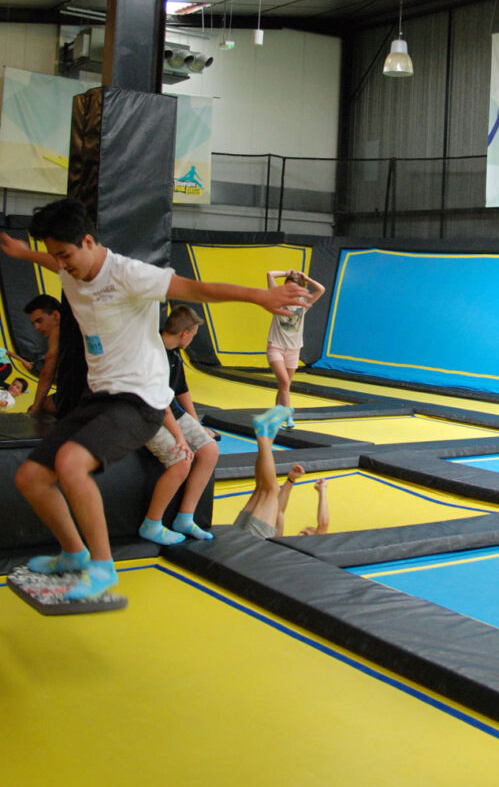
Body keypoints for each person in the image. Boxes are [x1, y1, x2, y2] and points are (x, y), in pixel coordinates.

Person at [0, 197, 309, 601]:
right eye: (55, 255)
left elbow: (197, 288)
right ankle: (74, 554)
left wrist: (258, 297)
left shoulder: (130, 275)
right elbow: (51, 261)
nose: (61, 263)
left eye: (66, 255)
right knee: (30, 477)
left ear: (89, 241)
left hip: (141, 401)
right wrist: (25, 253)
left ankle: (102, 567)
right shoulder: (66, 263)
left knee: (71, 465)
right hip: (100, 395)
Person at [140, 305, 219, 545]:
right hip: (146, 414)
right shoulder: (153, 354)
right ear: (185, 333)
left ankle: (185, 517)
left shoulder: (174, 354)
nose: (193, 339)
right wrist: (180, 437)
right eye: (193, 334)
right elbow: (158, 405)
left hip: (169, 411)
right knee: (182, 459)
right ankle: (151, 523)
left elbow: (181, 391)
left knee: (209, 450)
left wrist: (196, 425)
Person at [233, 405, 330, 539]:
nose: (301, 533)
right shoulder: (282, 543)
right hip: (237, 537)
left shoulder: (295, 553)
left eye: (305, 534)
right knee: (261, 489)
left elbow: (323, 525)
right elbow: (279, 511)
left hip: (251, 546)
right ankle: (268, 439)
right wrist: (290, 480)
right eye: (303, 531)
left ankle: (264, 437)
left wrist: (322, 491)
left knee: (271, 489)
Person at [266, 268, 326, 429]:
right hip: (276, 347)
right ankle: (288, 416)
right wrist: (287, 273)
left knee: (284, 386)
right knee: (284, 381)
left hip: (293, 349)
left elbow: (321, 289)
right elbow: (270, 274)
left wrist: (306, 277)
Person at [23, 294, 61, 415]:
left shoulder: (57, 331)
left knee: (41, 406)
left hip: (87, 397)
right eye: (34, 323)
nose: (36, 327)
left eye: (39, 321)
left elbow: (47, 374)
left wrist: (35, 408)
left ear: (56, 316)